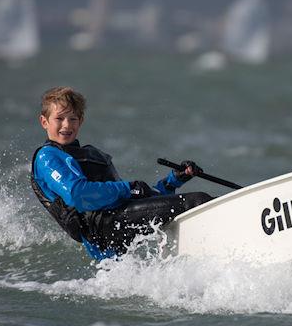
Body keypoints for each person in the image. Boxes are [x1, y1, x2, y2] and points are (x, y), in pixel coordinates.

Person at [31, 86, 213, 260]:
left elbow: (140, 197)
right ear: (44, 122)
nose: (67, 125)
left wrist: (174, 180)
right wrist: (130, 188)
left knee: (184, 206)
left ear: (81, 121)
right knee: (198, 201)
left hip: (115, 222)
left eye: (73, 119)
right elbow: (78, 194)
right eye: (60, 118)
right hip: (103, 227)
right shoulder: (47, 157)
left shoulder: (87, 155)